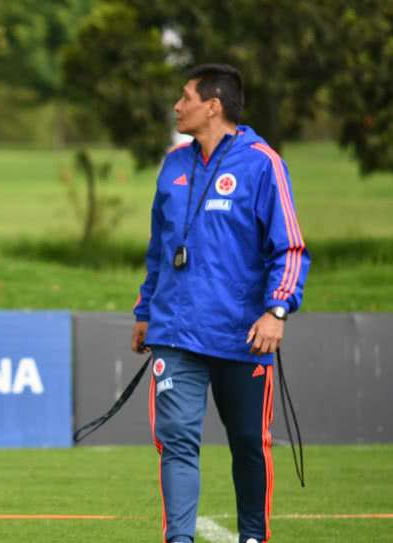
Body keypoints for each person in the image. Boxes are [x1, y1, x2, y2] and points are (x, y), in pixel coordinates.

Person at [131, 64, 310, 543]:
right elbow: (158, 247)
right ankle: (180, 539)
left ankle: (253, 536)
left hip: (241, 334)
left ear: (213, 105)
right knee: (177, 442)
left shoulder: (262, 162)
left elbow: (289, 247)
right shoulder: (173, 163)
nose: (176, 106)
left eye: (185, 97)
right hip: (175, 331)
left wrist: (277, 310)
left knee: (249, 442)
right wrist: (145, 310)